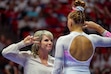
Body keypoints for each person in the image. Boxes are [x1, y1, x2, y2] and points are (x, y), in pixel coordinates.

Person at [52, 0, 111, 74]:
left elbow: (57, 69)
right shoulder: (93, 39)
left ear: (70, 23)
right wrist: (98, 28)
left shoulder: (63, 40)